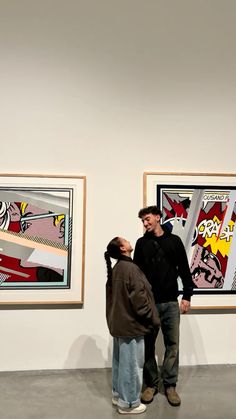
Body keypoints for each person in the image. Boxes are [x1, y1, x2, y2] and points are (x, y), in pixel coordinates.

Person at [133, 206, 194, 407]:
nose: (145, 223)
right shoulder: (141, 244)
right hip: (148, 305)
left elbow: (185, 270)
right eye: (142, 221)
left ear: (158, 218)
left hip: (170, 303)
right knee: (147, 346)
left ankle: (169, 385)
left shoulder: (174, 241)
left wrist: (187, 296)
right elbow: (136, 276)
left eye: (148, 219)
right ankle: (151, 384)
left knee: (172, 345)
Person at [104, 236, 160, 415]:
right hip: (131, 326)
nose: (129, 241)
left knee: (120, 362)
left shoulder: (118, 268)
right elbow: (140, 299)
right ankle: (128, 403)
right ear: (122, 248)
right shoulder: (130, 268)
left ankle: (118, 395)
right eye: (125, 240)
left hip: (120, 324)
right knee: (132, 365)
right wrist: (151, 318)